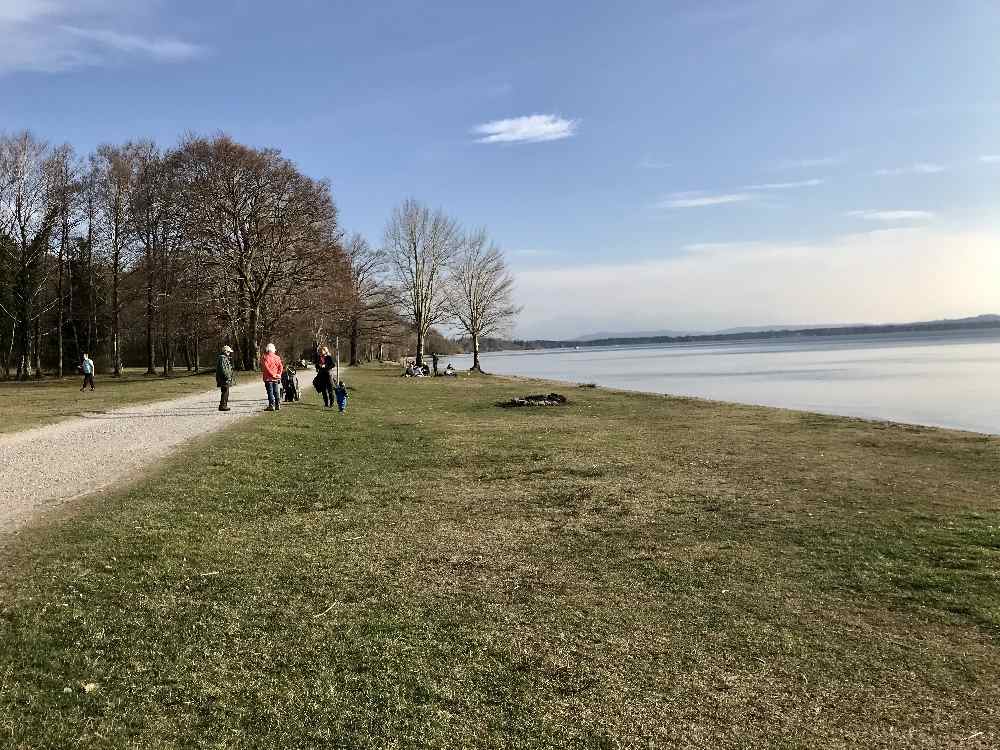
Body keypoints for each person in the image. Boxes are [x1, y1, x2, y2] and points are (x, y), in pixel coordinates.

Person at [260, 343, 284, 411]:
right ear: (273, 349)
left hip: (268, 378)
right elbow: (281, 367)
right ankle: (277, 404)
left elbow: (266, 368)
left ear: (267, 349)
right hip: (276, 378)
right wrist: (278, 374)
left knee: (270, 392)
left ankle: (271, 405)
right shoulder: (277, 357)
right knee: (276, 391)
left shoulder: (265, 357)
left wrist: (272, 374)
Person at [215, 345, 235, 410]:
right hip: (224, 379)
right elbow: (224, 369)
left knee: (225, 391)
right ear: (225, 351)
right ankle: (223, 406)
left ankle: (223, 405)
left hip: (224, 378)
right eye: (228, 352)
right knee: (225, 392)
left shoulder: (224, 358)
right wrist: (228, 376)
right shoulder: (222, 358)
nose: (229, 353)